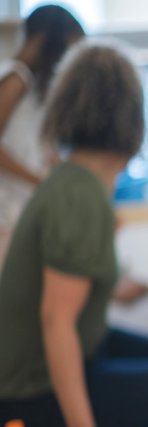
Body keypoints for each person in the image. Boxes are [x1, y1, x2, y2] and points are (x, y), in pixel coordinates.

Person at [0, 41, 148, 427]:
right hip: (31, 396)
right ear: (132, 116)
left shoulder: (75, 182)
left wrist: (119, 284)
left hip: (85, 352)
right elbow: (56, 321)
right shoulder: (78, 195)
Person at [0, 4, 84, 263]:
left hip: (20, 205)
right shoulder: (16, 78)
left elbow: (29, 143)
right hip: (8, 207)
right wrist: (39, 182)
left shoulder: (31, 85)